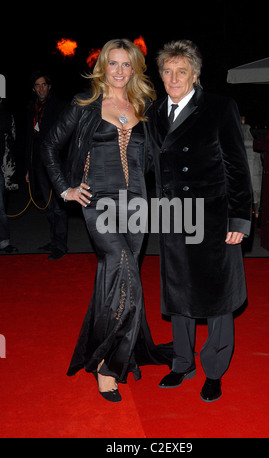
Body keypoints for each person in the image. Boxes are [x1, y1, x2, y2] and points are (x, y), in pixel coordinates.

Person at [41, 38, 172, 403]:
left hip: (137, 205)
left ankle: (120, 348)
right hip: (98, 201)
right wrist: (66, 188)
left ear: (134, 69)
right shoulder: (84, 105)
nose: (118, 71)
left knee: (115, 278)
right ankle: (106, 365)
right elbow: (49, 146)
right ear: (102, 67)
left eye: (125, 64)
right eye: (112, 64)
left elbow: (161, 157)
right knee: (120, 264)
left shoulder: (144, 107)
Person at [148, 40, 252, 402]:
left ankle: (214, 369)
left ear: (195, 75)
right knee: (178, 294)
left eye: (181, 71)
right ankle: (182, 363)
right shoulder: (154, 112)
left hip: (212, 217)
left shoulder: (219, 108)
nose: (173, 77)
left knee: (218, 297)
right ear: (160, 74)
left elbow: (237, 168)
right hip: (172, 218)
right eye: (167, 70)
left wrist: (239, 219)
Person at [25, 71, 68, 260]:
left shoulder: (59, 106)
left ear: (49, 86)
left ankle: (61, 245)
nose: (41, 88)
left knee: (59, 207)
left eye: (44, 84)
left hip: (55, 164)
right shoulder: (31, 107)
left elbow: (67, 138)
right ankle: (54, 240)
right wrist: (28, 168)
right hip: (38, 165)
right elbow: (28, 139)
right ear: (33, 88)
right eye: (37, 85)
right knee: (49, 207)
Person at [0, 97, 18, 254]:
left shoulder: (4, 114)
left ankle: (4, 242)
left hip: (1, 167)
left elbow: (10, 140)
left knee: (0, 207)